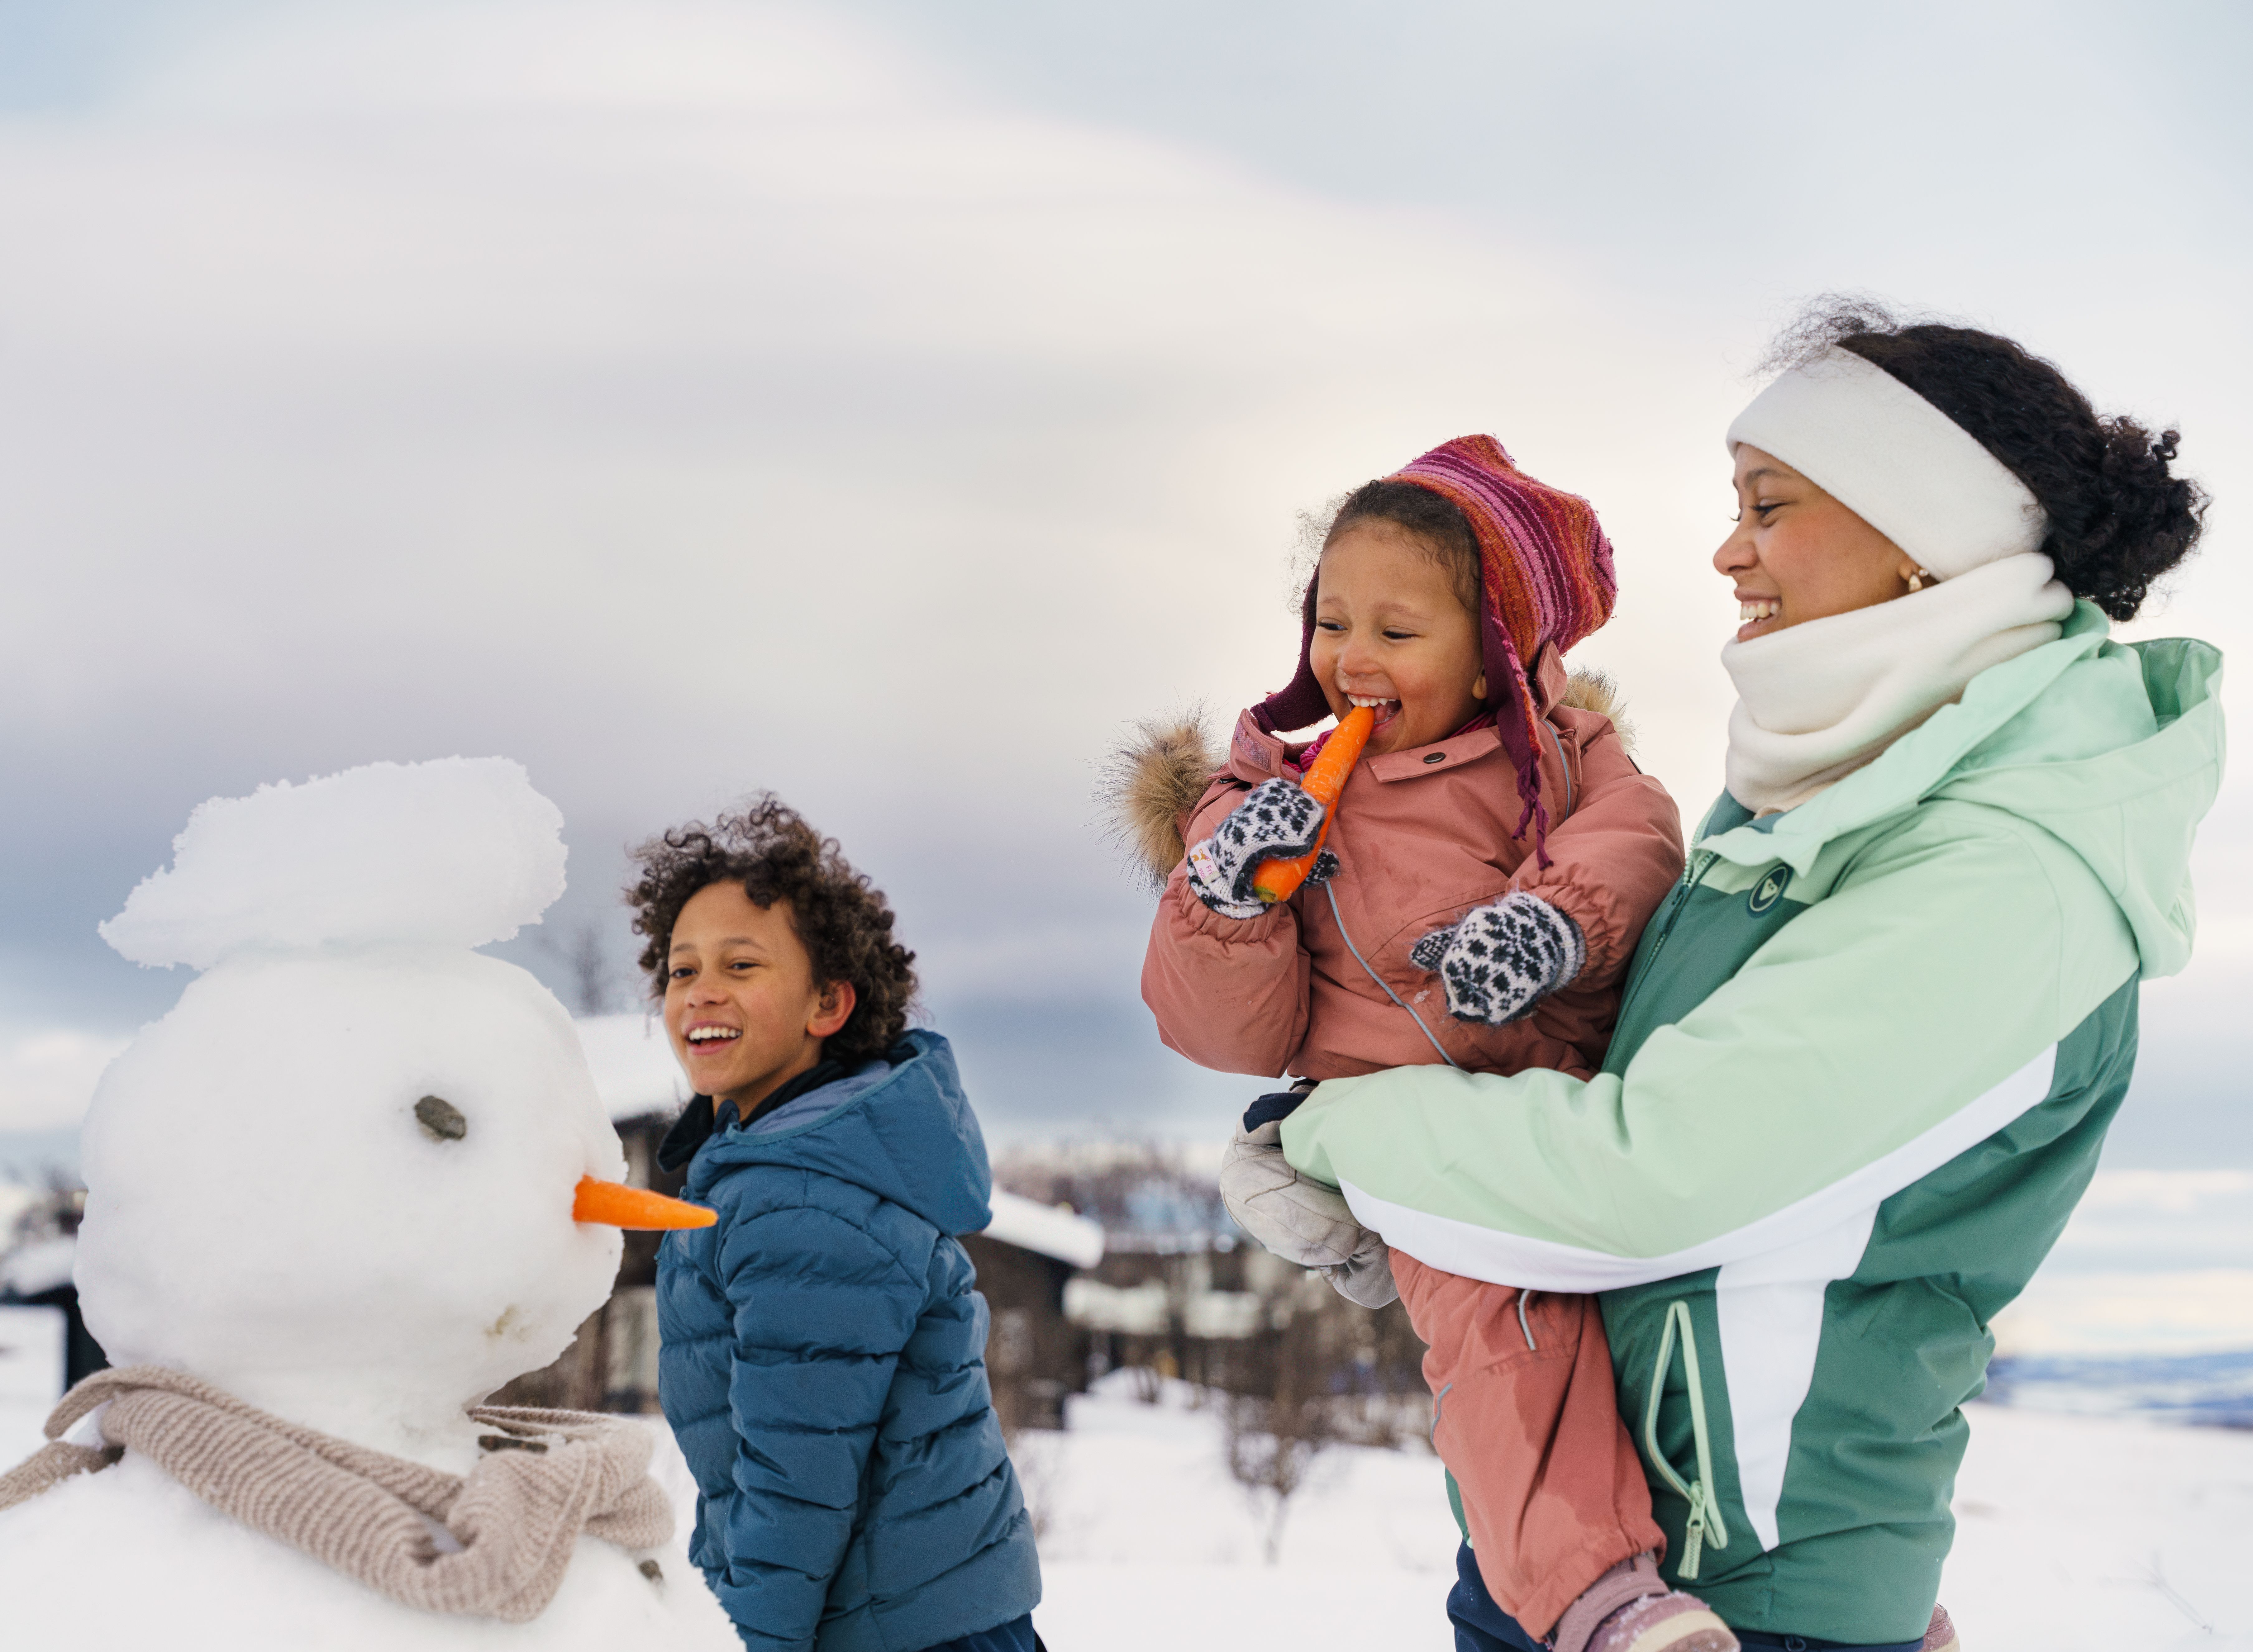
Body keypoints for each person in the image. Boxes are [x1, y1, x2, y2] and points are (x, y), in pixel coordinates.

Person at [1237, 303, 2218, 1652]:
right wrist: (1434, 1217)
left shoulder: (2007, 868)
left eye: (1767, 505)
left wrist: (1333, 1131)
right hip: (1587, 1570)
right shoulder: (1826, 795)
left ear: (1918, 540)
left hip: (1738, 1593)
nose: (1725, 549)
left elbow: (1650, 1179)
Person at [1125, 437, 1707, 1652]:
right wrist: (1224, 903)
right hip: (1408, 1129)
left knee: (1692, 1339)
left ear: (1495, 646)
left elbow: (1639, 837)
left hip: (1565, 1105)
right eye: (1331, 622)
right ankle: (1591, 1597)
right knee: (1509, 1329)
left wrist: (1550, 923)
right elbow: (1234, 1031)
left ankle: (1825, 1603)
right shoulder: (1262, 801)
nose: (1350, 658)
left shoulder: (1562, 755)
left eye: (1397, 631)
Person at [636, 798, 1041, 1652]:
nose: (701, 990)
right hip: (904, 1617)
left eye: (741, 966)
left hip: (894, 1630)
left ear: (829, 1004)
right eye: (681, 971)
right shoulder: (771, 1168)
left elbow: (798, 1481)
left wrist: (753, 1639)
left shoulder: (802, 1199)